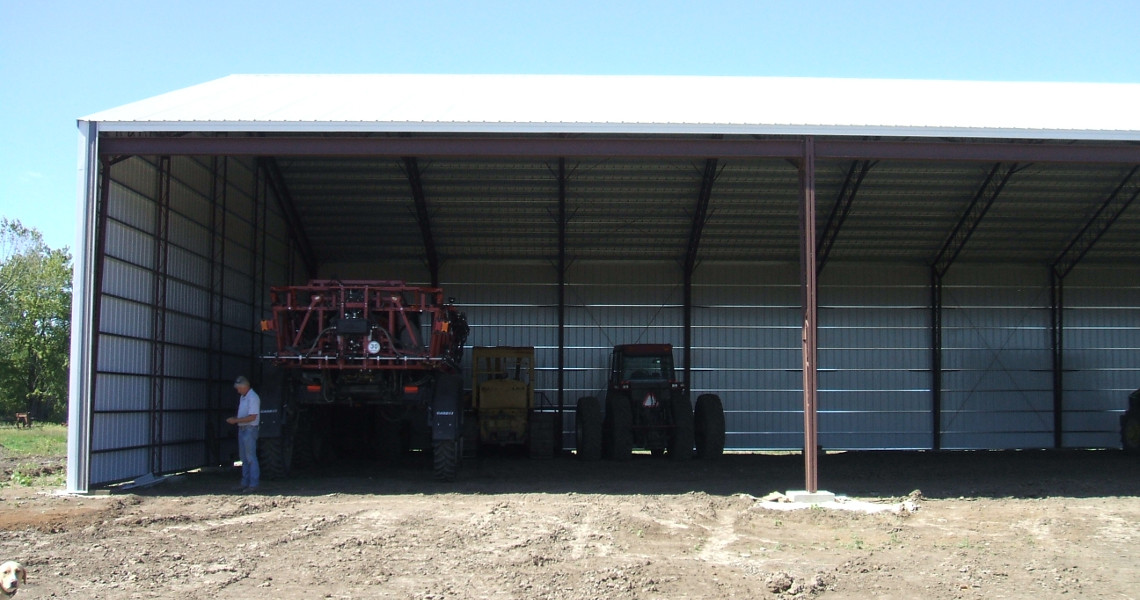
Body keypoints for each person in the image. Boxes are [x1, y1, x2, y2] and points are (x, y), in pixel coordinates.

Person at [226, 375, 260, 493]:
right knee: (244, 458)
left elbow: (252, 417)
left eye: (239, 388)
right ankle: (245, 483)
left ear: (245, 387)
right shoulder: (244, 397)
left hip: (249, 429)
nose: (238, 391)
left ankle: (253, 484)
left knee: (250, 457)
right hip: (243, 429)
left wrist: (235, 420)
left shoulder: (253, 398)